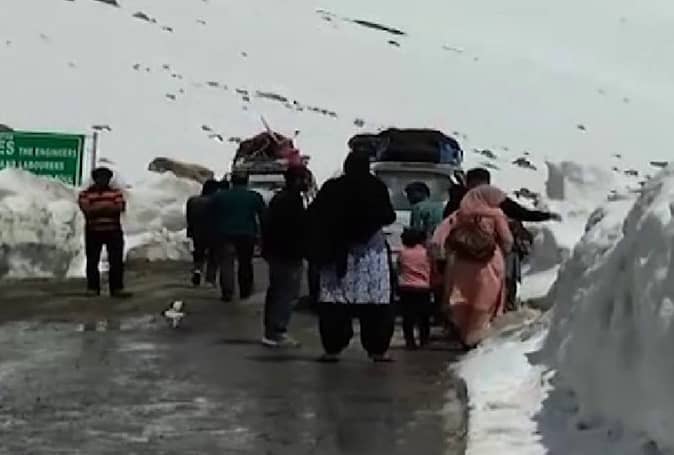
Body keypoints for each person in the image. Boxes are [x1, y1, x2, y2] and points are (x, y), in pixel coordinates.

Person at [307, 149, 397, 362]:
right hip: (370, 254)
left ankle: (332, 348)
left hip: (336, 253)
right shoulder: (376, 186)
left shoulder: (332, 187)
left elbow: (314, 216)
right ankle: (377, 349)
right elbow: (388, 215)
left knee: (334, 305)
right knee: (376, 305)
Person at [440, 185, 513, 349]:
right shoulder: (496, 214)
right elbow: (507, 240)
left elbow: (443, 235)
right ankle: (474, 338)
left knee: (462, 298)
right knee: (483, 303)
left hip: (461, 261)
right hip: (489, 262)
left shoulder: (461, 213)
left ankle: (464, 333)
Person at [260, 166, 309, 348]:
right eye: (304, 179)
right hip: (288, 253)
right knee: (286, 293)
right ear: (296, 180)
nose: (306, 183)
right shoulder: (291, 201)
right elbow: (295, 228)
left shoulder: (280, 198)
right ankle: (277, 331)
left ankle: (271, 331)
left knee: (277, 291)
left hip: (278, 252)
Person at [210, 171, 266, 302]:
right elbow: (263, 216)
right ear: (247, 182)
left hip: (225, 234)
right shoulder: (254, 196)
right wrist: (262, 236)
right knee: (245, 263)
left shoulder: (220, 196)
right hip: (247, 234)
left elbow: (211, 216)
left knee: (226, 263)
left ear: (232, 181)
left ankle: (227, 292)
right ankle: (245, 292)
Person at [78, 167, 130, 298]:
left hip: (113, 231)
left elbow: (119, 207)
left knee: (116, 261)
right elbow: (87, 209)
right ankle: (93, 288)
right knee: (92, 260)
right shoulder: (85, 194)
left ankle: (117, 288)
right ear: (95, 179)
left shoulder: (116, 193)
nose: (103, 181)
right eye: (100, 178)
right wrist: (108, 207)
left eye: (105, 178)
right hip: (93, 232)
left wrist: (97, 207)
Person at [397, 228, 432, 350]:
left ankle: (410, 341)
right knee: (424, 316)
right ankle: (424, 339)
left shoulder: (403, 253)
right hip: (423, 288)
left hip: (406, 288)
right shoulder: (426, 253)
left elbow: (399, 268)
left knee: (408, 317)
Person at [186, 179, 220, 287]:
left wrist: (190, 232)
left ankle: (197, 270)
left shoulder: (192, 201)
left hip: (197, 232)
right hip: (213, 232)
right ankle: (210, 279)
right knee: (213, 256)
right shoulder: (215, 201)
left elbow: (189, 218)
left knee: (198, 253)